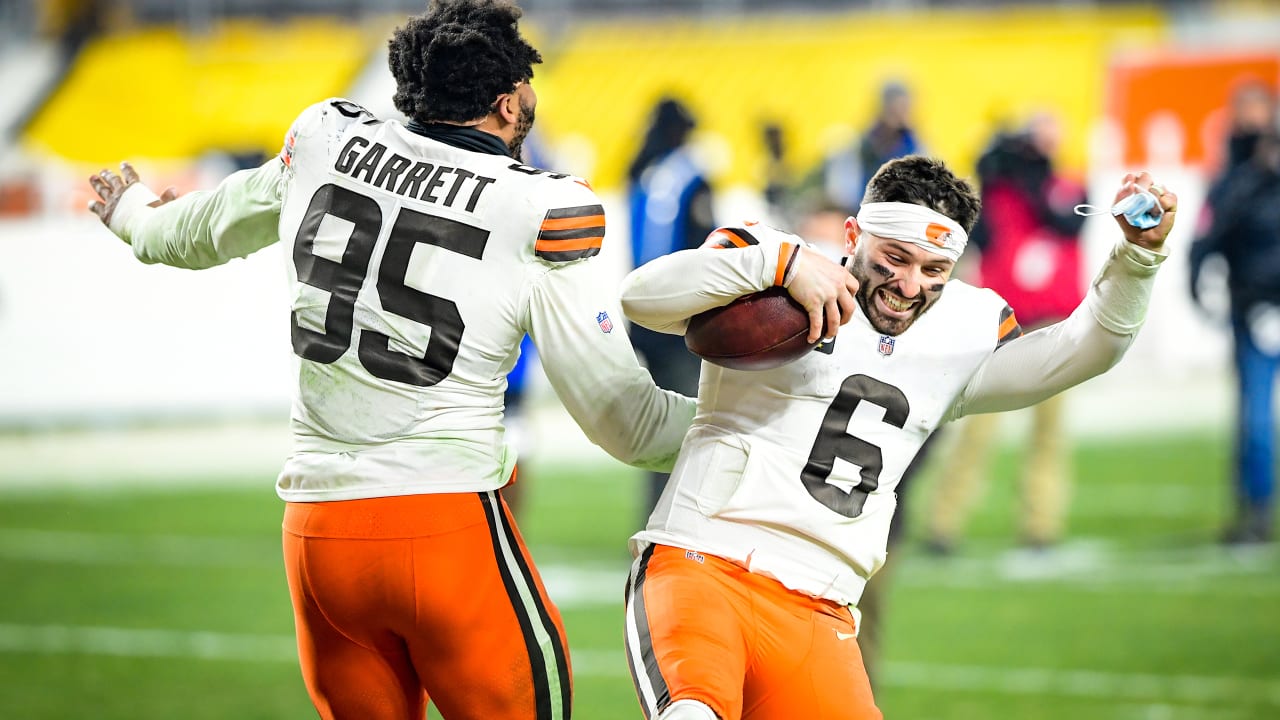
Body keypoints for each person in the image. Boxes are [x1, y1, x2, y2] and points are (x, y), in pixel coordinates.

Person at [84, 2, 696, 718]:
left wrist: (131, 213)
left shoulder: (323, 138)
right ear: (507, 103)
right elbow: (626, 421)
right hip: (442, 530)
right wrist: (761, 429)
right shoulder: (537, 206)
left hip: (317, 538)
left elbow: (186, 234)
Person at [618, 155, 1175, 720]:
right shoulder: (775, 260)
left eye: (936, 269)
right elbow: (641, 297)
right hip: (704, 559)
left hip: (823, 602)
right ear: (854, 234)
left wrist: (1137, 258)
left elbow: (1086, 349)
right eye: (895, 258)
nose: (910, 285)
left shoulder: (964, 326)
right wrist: (781, 264)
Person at [925, 112, 1088, 553]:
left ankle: (1040, 525)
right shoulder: (997, 194)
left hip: (1051, 321)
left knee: (1047, 432)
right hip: (1003, 325)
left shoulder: (1065, 189)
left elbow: (1070, 221)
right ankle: (945, 522)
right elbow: (977, 231)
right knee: (978, 427)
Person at [1190, 80, 1280, 544]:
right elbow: (1209, 236)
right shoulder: (1233, 179)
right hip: (1255, 309)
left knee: (1256, 415)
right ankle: (1254, 508)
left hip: (1263, 303)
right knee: (1255, 417)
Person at [627, 96, 717, 515]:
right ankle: (674, 517)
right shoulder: (692, 176)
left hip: (640, 313)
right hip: (681, 317)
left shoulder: (640, 171)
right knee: (691, 421)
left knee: (657, 420)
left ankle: (652, 509)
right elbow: (707, 251)